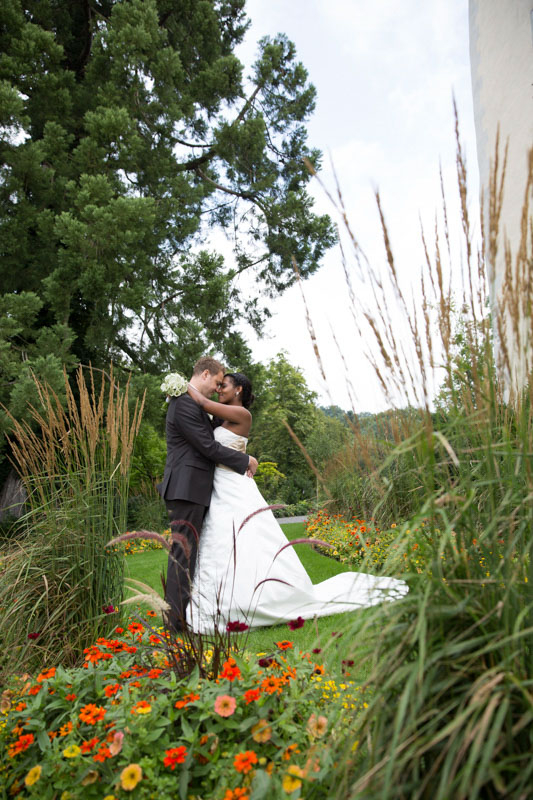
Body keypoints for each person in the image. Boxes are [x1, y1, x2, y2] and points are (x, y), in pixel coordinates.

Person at [185, 372, 409, 634]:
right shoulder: (221, 418)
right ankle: (217, 596)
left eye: (224, 385)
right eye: (218, 385)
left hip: (235, 485)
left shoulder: (243, 414)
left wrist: (182, 386)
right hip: (219, 485)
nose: (219, 388)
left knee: (247, 538)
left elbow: (201, 402)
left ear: (239, 390)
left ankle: (255, 597)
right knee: (221, 539)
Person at [158, 357, 258, 632]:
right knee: (183, 553)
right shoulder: (184, 404)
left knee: (190, 554)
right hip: (186, 488)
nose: (217, 388)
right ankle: (175, 623)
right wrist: (244, 460)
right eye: (216, 382)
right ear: (204, 374)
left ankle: (184, 615)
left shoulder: (192, 404)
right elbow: (206, 446)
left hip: (196, 488)